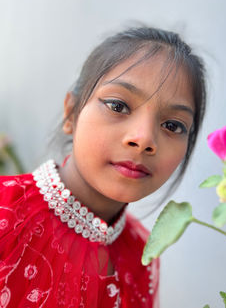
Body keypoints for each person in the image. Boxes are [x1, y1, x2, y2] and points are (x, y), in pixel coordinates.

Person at [0, 26, 206, 308]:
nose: (144, 138)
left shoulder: (142, 257)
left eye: (173, 125)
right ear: (71, 112)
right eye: (118, 106)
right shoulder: (5, 213)